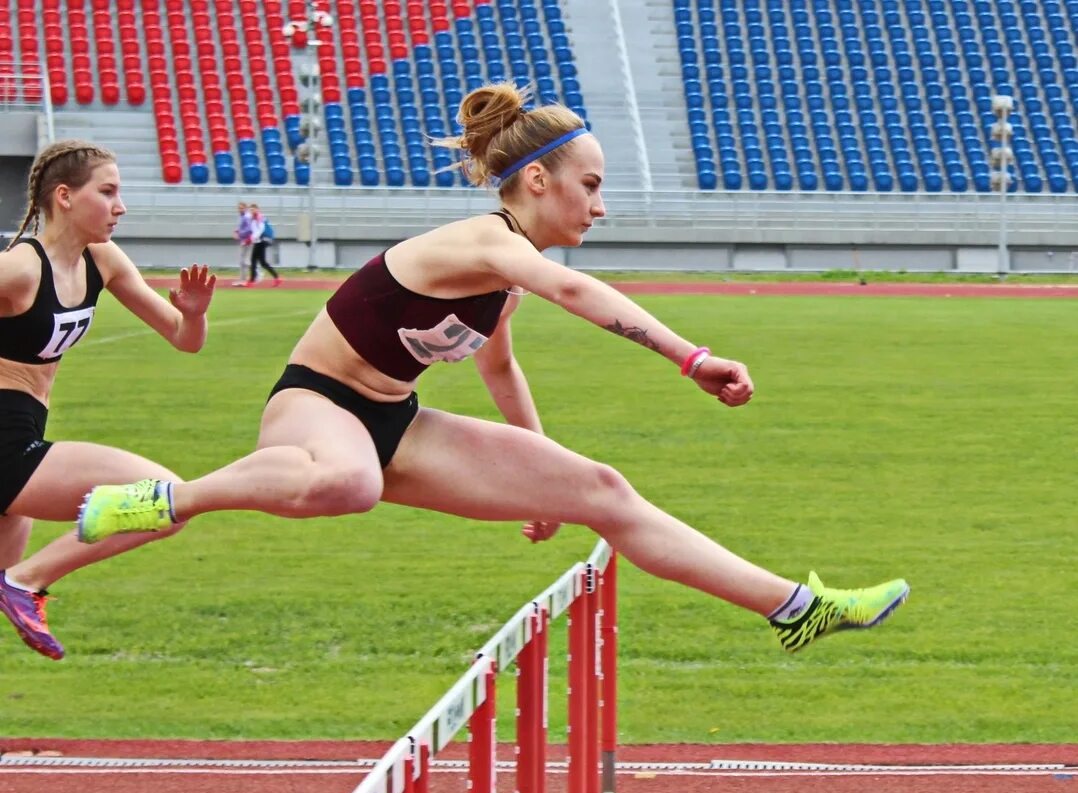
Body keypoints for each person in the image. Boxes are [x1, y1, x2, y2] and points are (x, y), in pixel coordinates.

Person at [76, 84, 909, 654]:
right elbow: (574, 290)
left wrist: (543, 470)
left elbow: (501, 372)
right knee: (349, 484)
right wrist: (688, 357)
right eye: (590, 185)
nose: (601, 204)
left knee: (603, 492)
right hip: (316, 406)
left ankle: (796, 609)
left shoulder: (499, 280)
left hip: (392, 421)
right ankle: (163, 499)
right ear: (538, 179)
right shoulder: (483, 242)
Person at [0, 139, 216, 660]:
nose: (121, 206)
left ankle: (22, 582)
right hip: (5, 441)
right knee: (166, 495)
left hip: (25, 435)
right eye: (109, 192)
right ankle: (27, 581)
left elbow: (185, 340)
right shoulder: (21, 269)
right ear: (65, 197)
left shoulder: (102, 260)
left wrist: (193, 312)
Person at [245, 204, 280, 287]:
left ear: (257, 209)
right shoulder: (254, 219)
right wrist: (251, 239)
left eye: (253, 209)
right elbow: (255, 231)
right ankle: (276, 277)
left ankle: (251, 281)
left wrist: (251, 238)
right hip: (259, 241)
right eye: (251, 210)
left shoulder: (259, 218)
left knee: (255, 261)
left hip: (262, 241)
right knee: (261, 262)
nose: (252, 211)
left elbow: (260, 230)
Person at [232, 201, 255, 287]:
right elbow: (243, 228)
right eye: (238, 208)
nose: (239, 210)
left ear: (245, 208)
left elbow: (249, 229)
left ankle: (245, 279)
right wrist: (237, 231)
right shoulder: (242, 217)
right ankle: (242, 279)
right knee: (242, 261)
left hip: (247, 241)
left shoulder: (246, 217)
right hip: (244, 240)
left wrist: (240, 233)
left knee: (244, 261)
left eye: (241, 208)